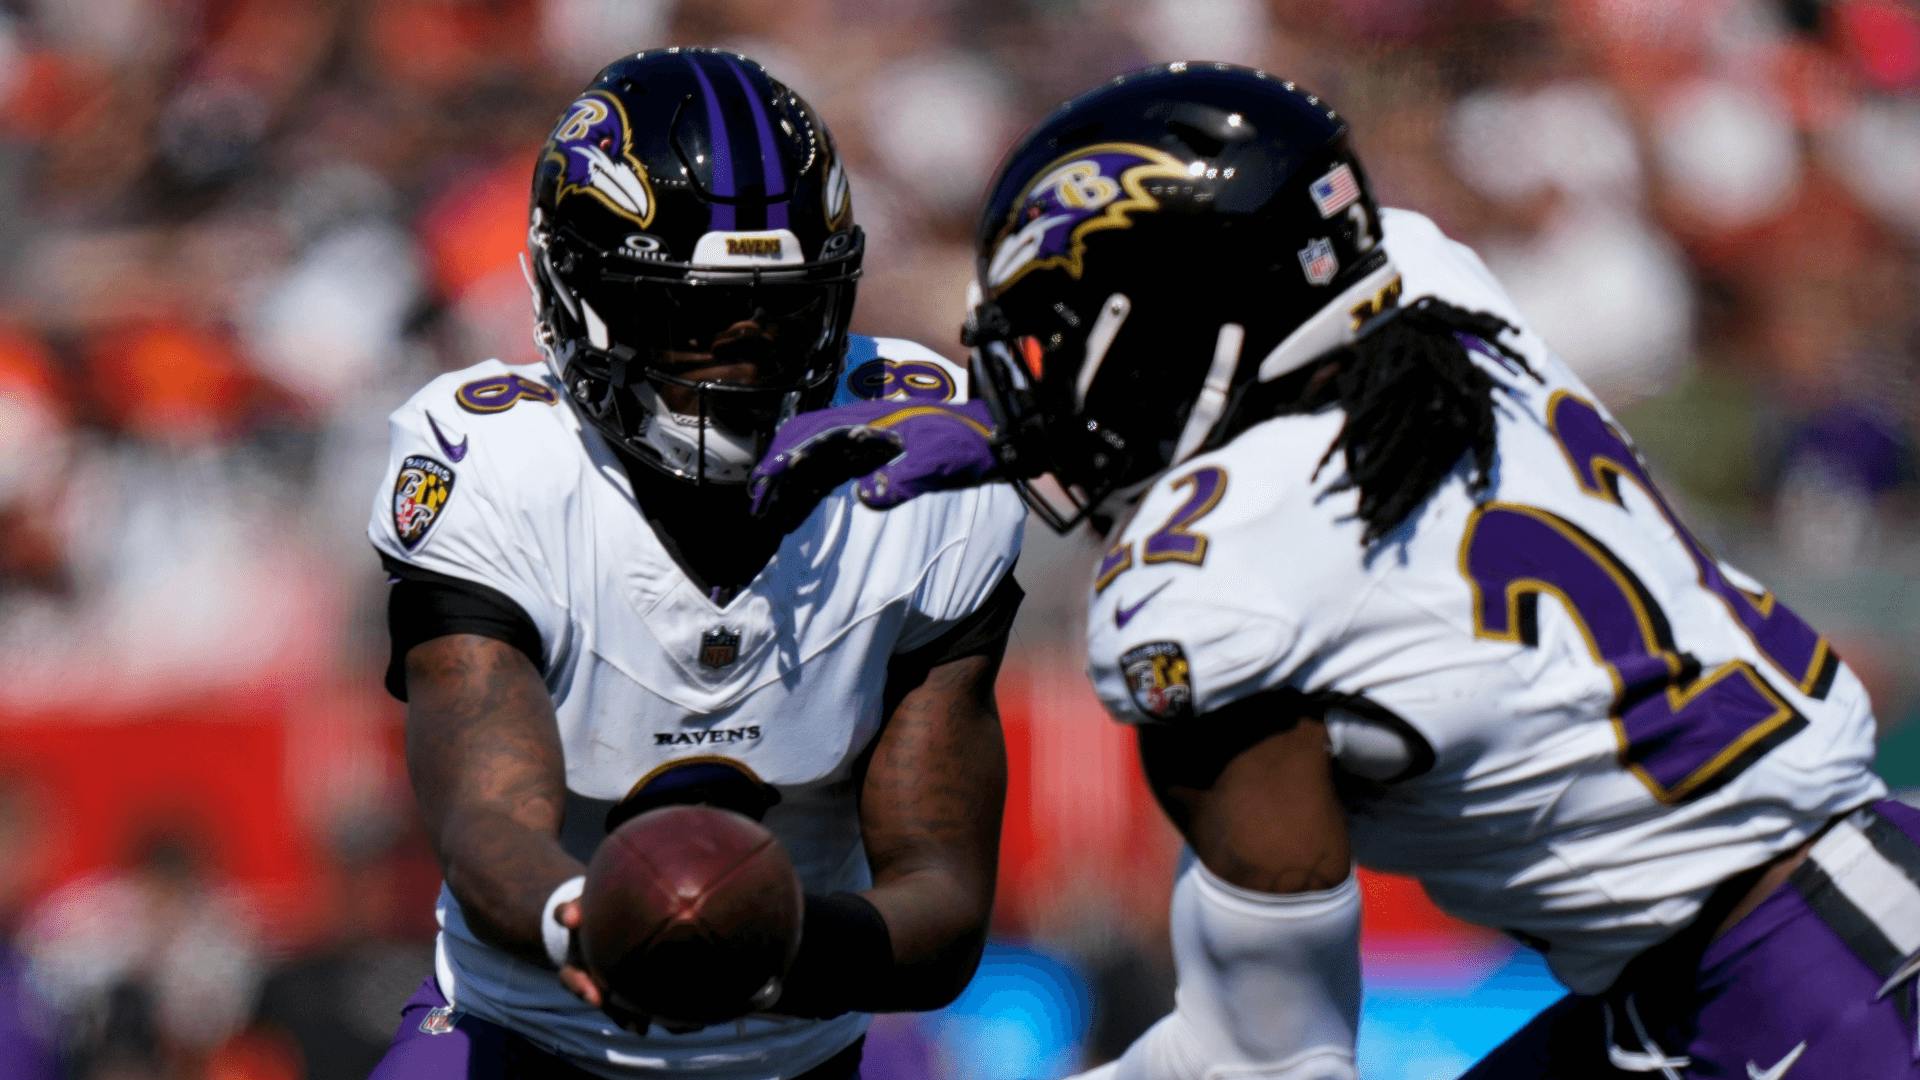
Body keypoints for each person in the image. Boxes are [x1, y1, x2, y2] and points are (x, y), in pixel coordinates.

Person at [750, 63, 1918, 1078]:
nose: (1032, 379)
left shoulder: (1203, 599)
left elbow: (1267, 1058)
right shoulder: (1429, 283)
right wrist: (1026, 439)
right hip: (1772, 931)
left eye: (1063, 336)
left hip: (1814, 982)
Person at [366, 48, 1025, 1080]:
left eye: (780, 304)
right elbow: (484, 817)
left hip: (795, 1052)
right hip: (524, 1036)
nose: (743, 346)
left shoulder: (917, 457)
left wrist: (757, 950)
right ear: (573, 288)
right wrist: (593, 921)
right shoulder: (494, 458)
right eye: (693, 310)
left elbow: (941, 902)